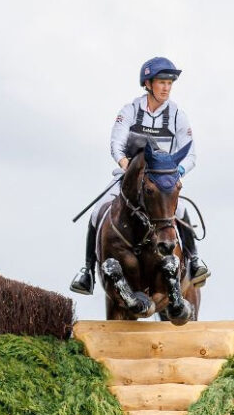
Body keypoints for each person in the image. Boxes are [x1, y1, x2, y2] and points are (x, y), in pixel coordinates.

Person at [70, 56, 210, 295]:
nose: (166, 87)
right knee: (97, 211)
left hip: (162, 181)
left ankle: (195, 260)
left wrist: (175, 172)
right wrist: (125, 164)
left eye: (170, 83)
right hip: (129, 177)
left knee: (180, 210)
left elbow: (191, 155)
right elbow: (116, 144)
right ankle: (87, 272)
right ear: (148, 84)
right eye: (161, 82)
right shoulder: (130, 110)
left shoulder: (177, 115)